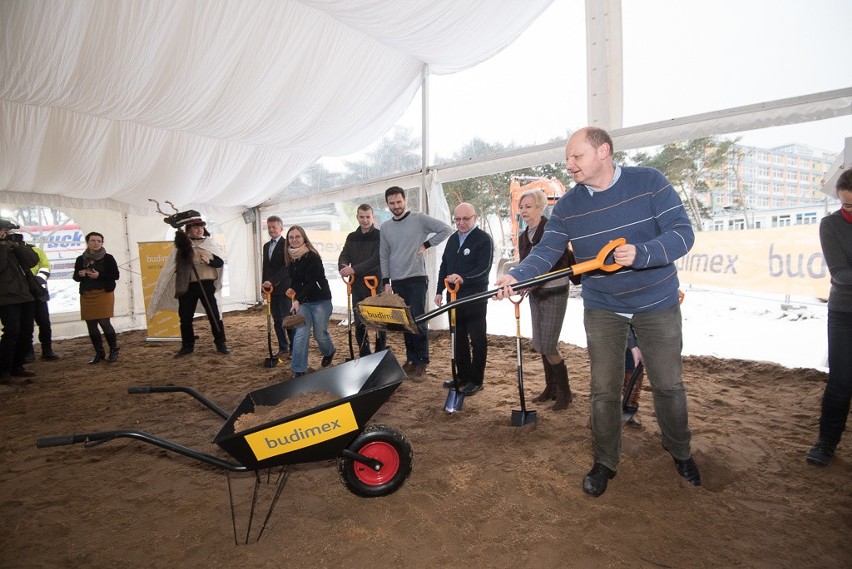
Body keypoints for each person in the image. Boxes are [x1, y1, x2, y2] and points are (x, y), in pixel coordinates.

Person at [495, 126, 701, 497]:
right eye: (567, 158)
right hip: (604, 305)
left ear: (603, 151)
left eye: (577, 157)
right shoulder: (570, 205)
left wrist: (643, 253)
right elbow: (545, 252)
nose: (569, 165)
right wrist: (517, 275)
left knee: (668, 384)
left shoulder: (649, 181)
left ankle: (680, 451)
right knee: (603, 389)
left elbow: (682, 232)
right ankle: (605, 461)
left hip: (656, 301)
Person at [379, 186, 452, 378]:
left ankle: (422, 361)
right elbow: (384, 255)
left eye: (399, 202)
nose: (396, 206)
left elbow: (446, 229)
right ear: (387, 204)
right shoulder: (385, 227)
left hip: (417, 278)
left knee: (419, 320)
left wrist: (427, 244)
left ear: (405, 200)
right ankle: (411, 359)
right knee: (405, 322)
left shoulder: (419, 219)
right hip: (397, 280)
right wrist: (386, 280)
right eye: (392, 203)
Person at [516, 188, 579, 411]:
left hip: (554, 290)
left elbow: (556, 264)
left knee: (549, 344)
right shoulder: (524, 235)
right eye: (521, 207)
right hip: (535, 292)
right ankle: (550, 388)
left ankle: (565, 392)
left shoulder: (551, 230)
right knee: (541, 342)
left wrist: (532, 283)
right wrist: (523, 284)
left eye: (528, 206)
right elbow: (526, 265)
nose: (523, 210)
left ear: (541, 207)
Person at [806, 168, 852, 466]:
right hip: (844, 312)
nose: (850, 210)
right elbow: (842, 275)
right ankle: (826, 442)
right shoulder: (831, 225)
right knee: (841, 381)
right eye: (847, 204)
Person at [149, 216, 229, 357]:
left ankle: (220, 343)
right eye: (195, 227)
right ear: (189, 230)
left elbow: (220, 263)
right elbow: (172, 266)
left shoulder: (209, 243)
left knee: (214, 316)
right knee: (185, 318)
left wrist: (209, 260)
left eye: (201, 227)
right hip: (188, 286)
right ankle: (187, 346)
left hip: (206, 285)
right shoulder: (183, 246)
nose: (199, 230)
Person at [434, 203, 492, 395]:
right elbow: (444, 265)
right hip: (454, 296)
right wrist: (439, 290)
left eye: (465, 219)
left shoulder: (483, 239)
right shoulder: (452, 239)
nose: (461, 223)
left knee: (477, 339)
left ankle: (477, 380)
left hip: (475, 297)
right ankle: (463, 376)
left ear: (474, 218)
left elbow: (484, 269)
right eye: (457, 219)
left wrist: (464, 278)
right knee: (457, 337)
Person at [285, 225, 336, 377]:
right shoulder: (291, 257)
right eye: (291, 237)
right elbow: (296, 280)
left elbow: (311, 281)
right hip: (303, 302)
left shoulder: (312, 256)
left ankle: (329, 351)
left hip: (320, 301)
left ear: (304, 238)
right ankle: (299, 370)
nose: (294, 239)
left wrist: (297, 300)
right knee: (301, 333)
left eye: (297, 236)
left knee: (320, 334)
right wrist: (292, 290)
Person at [338, 204, 386, 357]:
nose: (365, 220)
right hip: (357, 287)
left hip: (375, 285)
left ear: (373, 217)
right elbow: (344, 254)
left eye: (368, 217)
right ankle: (365, 354)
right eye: (362, 217)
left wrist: (354, 269)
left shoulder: (379, 235)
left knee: (379, 323)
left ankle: (380, 352)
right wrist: (343, 266)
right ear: (357, 217)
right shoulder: (352, 237)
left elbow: (376, 260)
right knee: (359, 323)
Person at [0, 219, 39, 382]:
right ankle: (3, 370)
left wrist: (17, 246)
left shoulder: (13, 246)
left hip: (25, 295)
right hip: (6, 298)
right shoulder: (2, 248)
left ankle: (17, 365)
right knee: (12, 331)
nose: (6, 233)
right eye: (4, 230)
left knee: (26, 331)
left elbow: (32, 261)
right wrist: (2, 246)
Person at [73, 231, 120, 364]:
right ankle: (99, 352)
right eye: (93, 241)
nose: (96, 243)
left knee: (104, 322)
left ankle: (113, 350)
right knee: (91, 324)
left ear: (102, 243)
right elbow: (75, 277)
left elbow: (115, 275)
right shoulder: (80, 259)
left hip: (104, 293)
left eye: (98, 241)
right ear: (88, 242)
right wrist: (80, 274)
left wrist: (99, 275)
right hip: (87, 294)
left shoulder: (108, 258)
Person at [261, 215, 293, 359]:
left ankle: (294, 347)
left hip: (284, 288)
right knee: (276, 320)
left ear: (281, 228)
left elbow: (286, 267)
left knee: (287, 319)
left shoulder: (287, 244)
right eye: (269, 227)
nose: (271, 230)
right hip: (271, 290)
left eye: (274, 227)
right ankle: (283, 347)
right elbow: (265, 268)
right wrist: (264, 285)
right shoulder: (266, 246)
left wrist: (272, 281)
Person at [23, 246, 60, 362]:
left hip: (39, 293)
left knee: (44, 323)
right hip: (23, 295)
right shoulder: (10, 251)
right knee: (26, 326)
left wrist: (35, 283)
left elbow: (45, 267)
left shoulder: (36, 250)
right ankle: (28, 352)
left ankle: (47, 350)